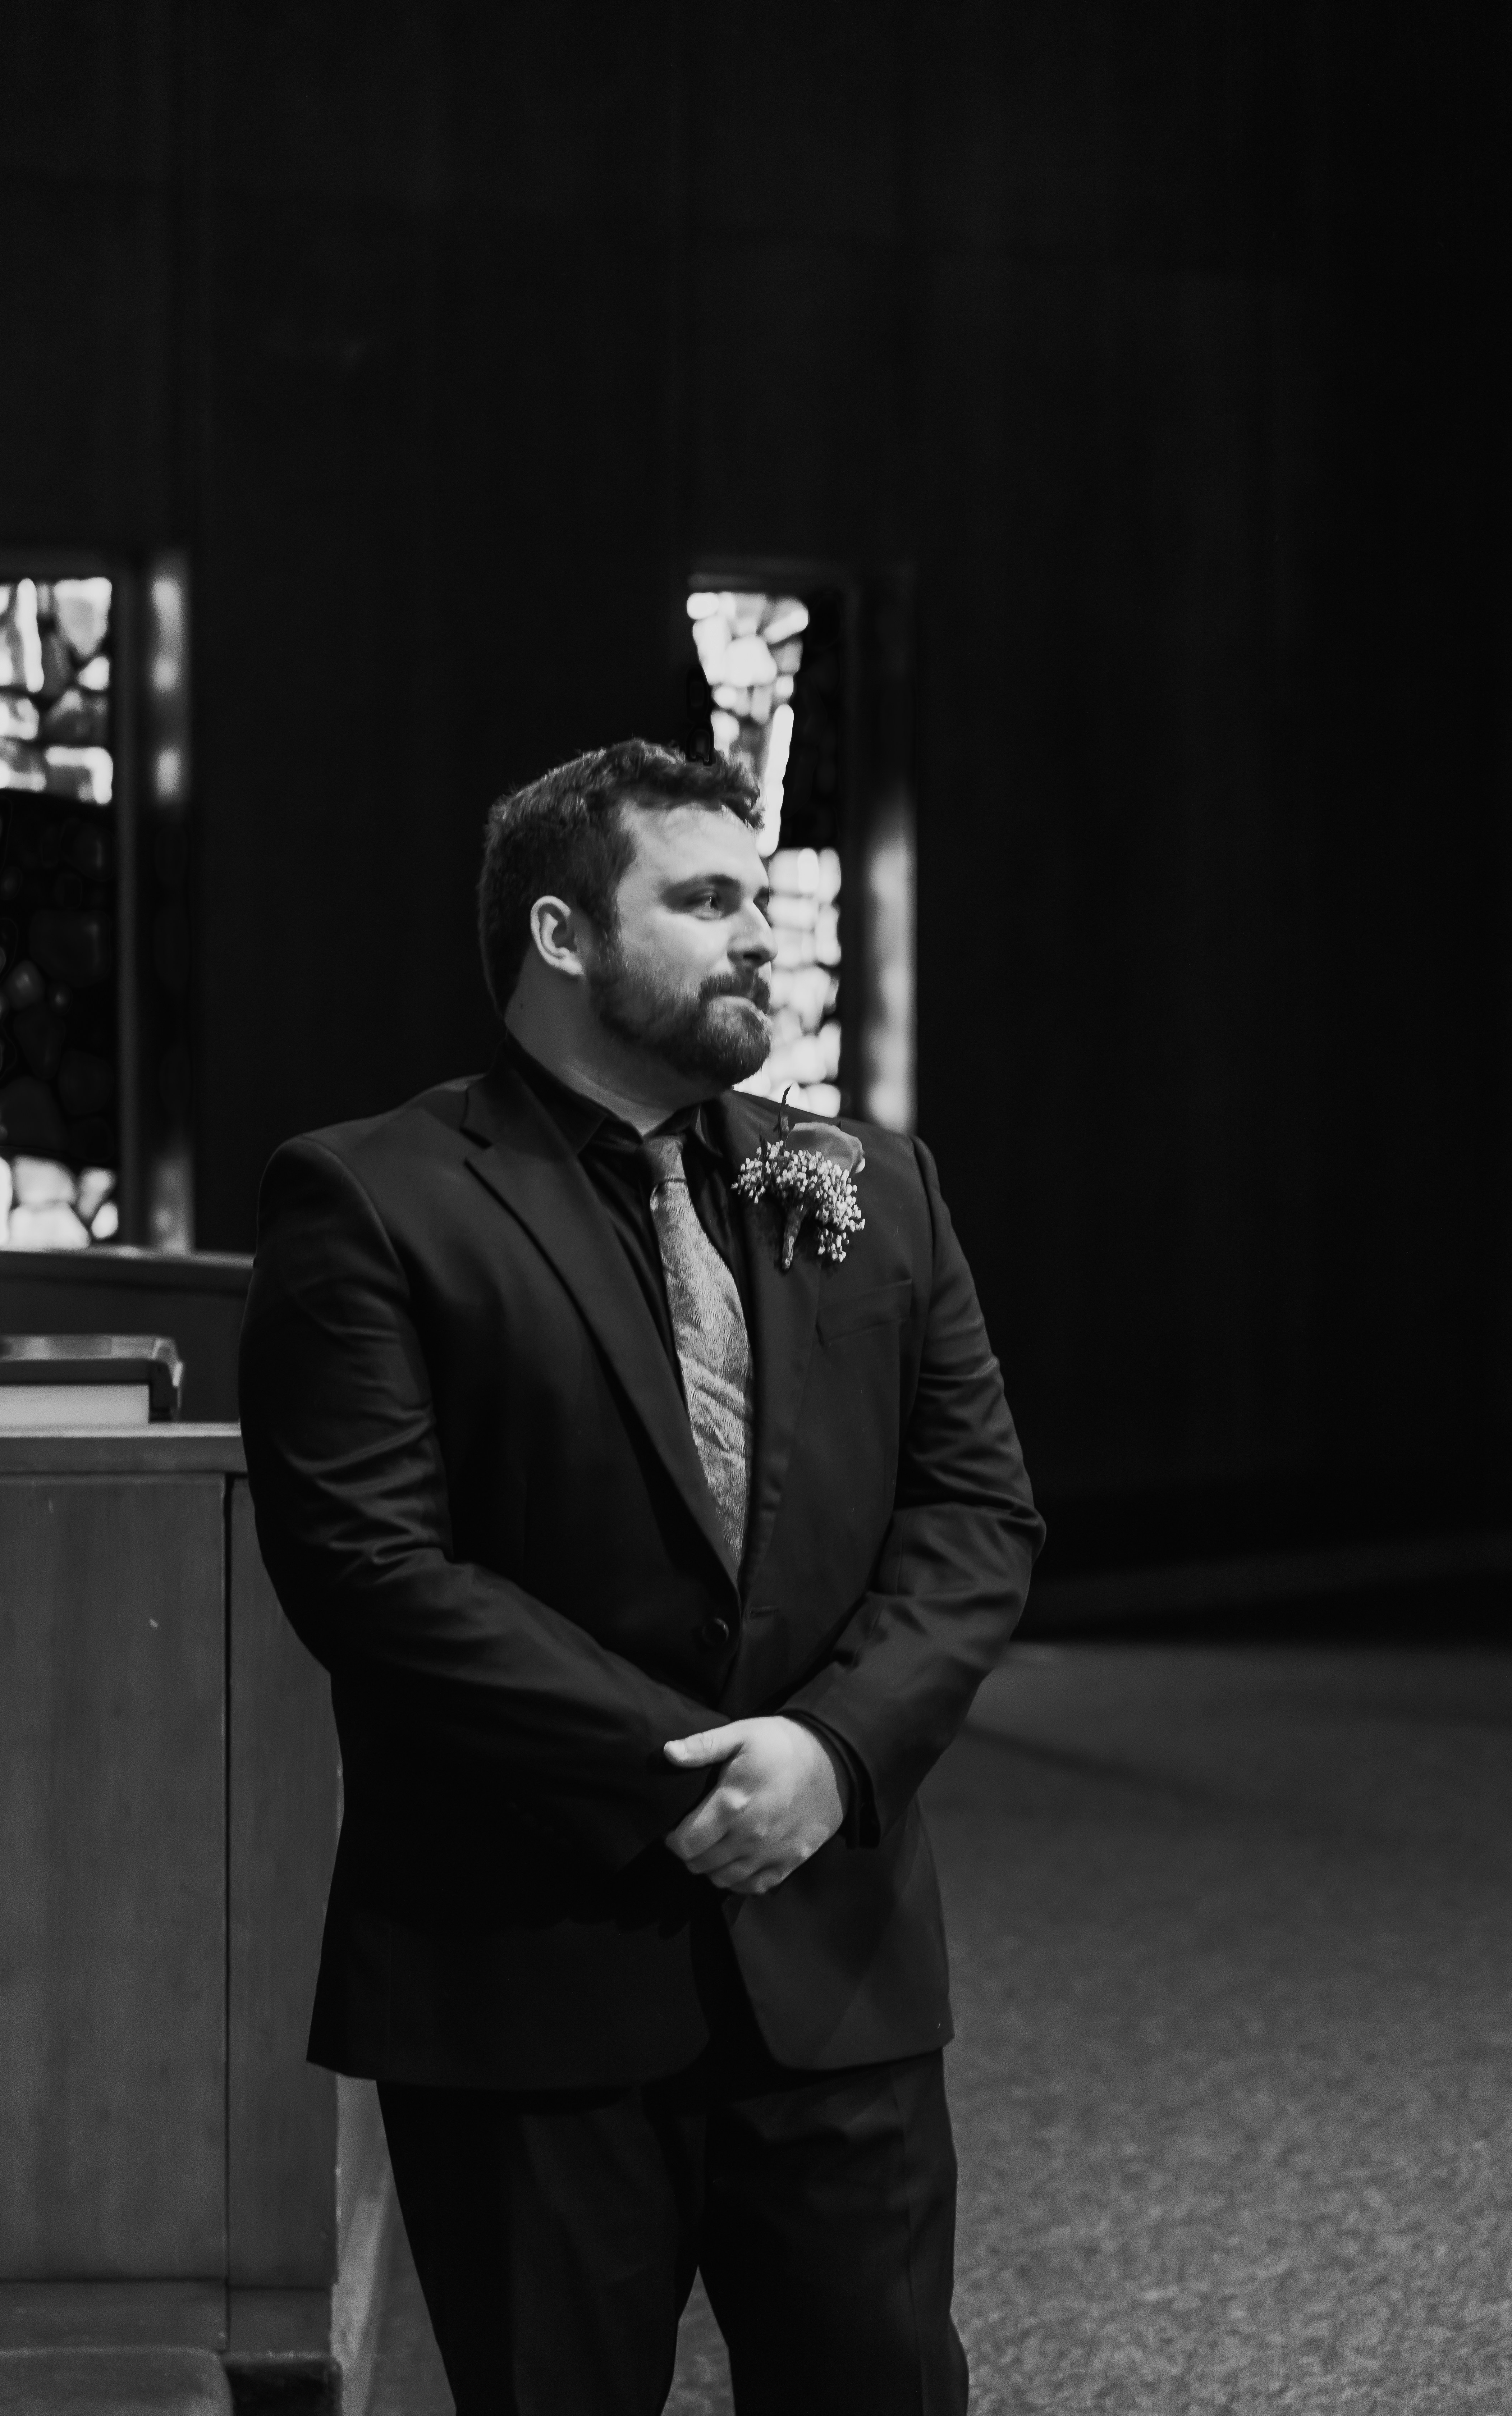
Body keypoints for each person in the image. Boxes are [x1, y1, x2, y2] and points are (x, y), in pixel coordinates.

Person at [238, 738, 1044, 2416]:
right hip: (527, 1972)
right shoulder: (373, 1199)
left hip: (836, 1961)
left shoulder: (871, 1189)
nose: (761, 934)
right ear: (559, 937)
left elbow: (976, 1519)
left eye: (762, 898)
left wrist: (825, 1756)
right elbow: (371, 1569)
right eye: (704, 899)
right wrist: (676, 1782)